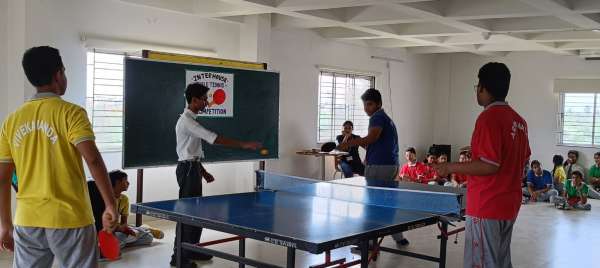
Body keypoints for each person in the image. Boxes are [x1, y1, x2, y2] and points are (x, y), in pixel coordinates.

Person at [0, 46, 117, 267]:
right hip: (71, 219)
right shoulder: (71, 113)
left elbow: (3, 178)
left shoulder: (12, 120)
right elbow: (92, 160)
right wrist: (110, 203)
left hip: (28, 220)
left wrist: (5, 224)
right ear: (58, 75)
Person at [433, 62, 530, 268]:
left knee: (482, 263)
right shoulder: (519, 121)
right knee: (500, 262)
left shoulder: (488, 118)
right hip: (509, 203)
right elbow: (522, 159)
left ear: (484, 88)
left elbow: (489, 166)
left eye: (477, 85)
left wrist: (450, 167)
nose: (476, 90)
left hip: (487, 204)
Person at [172, 83, 261, 268]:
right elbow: (213, 138)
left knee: (195, 213)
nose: (207, 102)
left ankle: (192, 249)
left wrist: (202, 172)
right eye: (204, 99)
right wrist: (243, 145)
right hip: (188, 170)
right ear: (194, 100)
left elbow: (192, 151)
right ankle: (179, 257)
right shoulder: (187, 121)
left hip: (193, 168)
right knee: (187, 214)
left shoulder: (191, 119)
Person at [338, 88, 408, 246]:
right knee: (386, 202)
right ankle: (399, 237)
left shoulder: (377, 117)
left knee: (372, 205)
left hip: (380, 166)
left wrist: (347, 144)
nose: (366, 108)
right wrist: (366, 152)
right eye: (365, 105)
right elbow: (375, 142)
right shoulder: (385, 118)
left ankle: (368, 244)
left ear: (379, 104)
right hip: (389, 165)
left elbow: (372, 137)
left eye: (369, 104)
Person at [107, 170, 163, 250]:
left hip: (118, 230)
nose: (128, 183)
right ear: (117, 182)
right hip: (108, 231)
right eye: (125, 180)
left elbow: (124, 223)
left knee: (148, 238)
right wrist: (123, 230)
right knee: (119, 240)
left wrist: (125, 229)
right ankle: (143, 229)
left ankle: (137, 233)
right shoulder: (104, 199)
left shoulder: (124, 199)